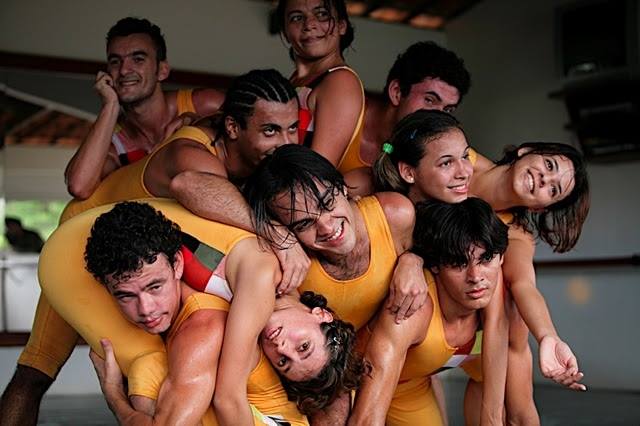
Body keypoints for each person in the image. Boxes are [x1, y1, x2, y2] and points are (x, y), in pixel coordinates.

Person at [0, 69, 299, 426]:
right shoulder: (194, 155)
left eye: (293, 128)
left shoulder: (253, 161)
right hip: (83, 240)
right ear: (233, 127)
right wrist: (282, 237)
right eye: (270, 130)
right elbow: (189, 185)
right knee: (38, 368)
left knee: (167, 362)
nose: (287, 142)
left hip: (150, 256)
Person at [39, 199, 362, 425]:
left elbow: (226, 399)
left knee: (149, 373)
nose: (146, 309)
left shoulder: (207, 328)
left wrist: (113, 395)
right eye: (125, 295)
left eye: (155, 287)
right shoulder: (240, 286)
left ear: (178, 265)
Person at [374, 111, 588, 423]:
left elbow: (524, 285)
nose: (545, 179)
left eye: (554, 190)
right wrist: (411, 258)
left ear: (541, 207)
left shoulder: (515, 233)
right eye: (549, 165)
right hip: (412, 293)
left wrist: (548, 336)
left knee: (509, 305)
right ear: (527, 151)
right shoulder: (463, 159)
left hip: (472, 325)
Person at [350, 197, 509, 426]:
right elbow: (366, 417)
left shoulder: (491, 290)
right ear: (435, 265)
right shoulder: (414, 308)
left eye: (485, 259)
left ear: (501, 257)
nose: (475, 277)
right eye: (458, 263)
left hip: (409, 387)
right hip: (354, 382)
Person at [65, 17, 223, 200]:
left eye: (138, 59)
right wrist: (110, 105)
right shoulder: (115, 144)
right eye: (115, 61)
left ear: (162, 70)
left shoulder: (204, 104)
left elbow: (245, 131)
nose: (124, 70)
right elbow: (79, 186)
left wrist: (200, 123)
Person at [274, 0, 366, 174]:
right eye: (297, 17)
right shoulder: (294, 82)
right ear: (285, 32)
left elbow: (315, 174)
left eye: (322, 14)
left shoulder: (340, 81)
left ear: (341, 26)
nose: (309, 25)